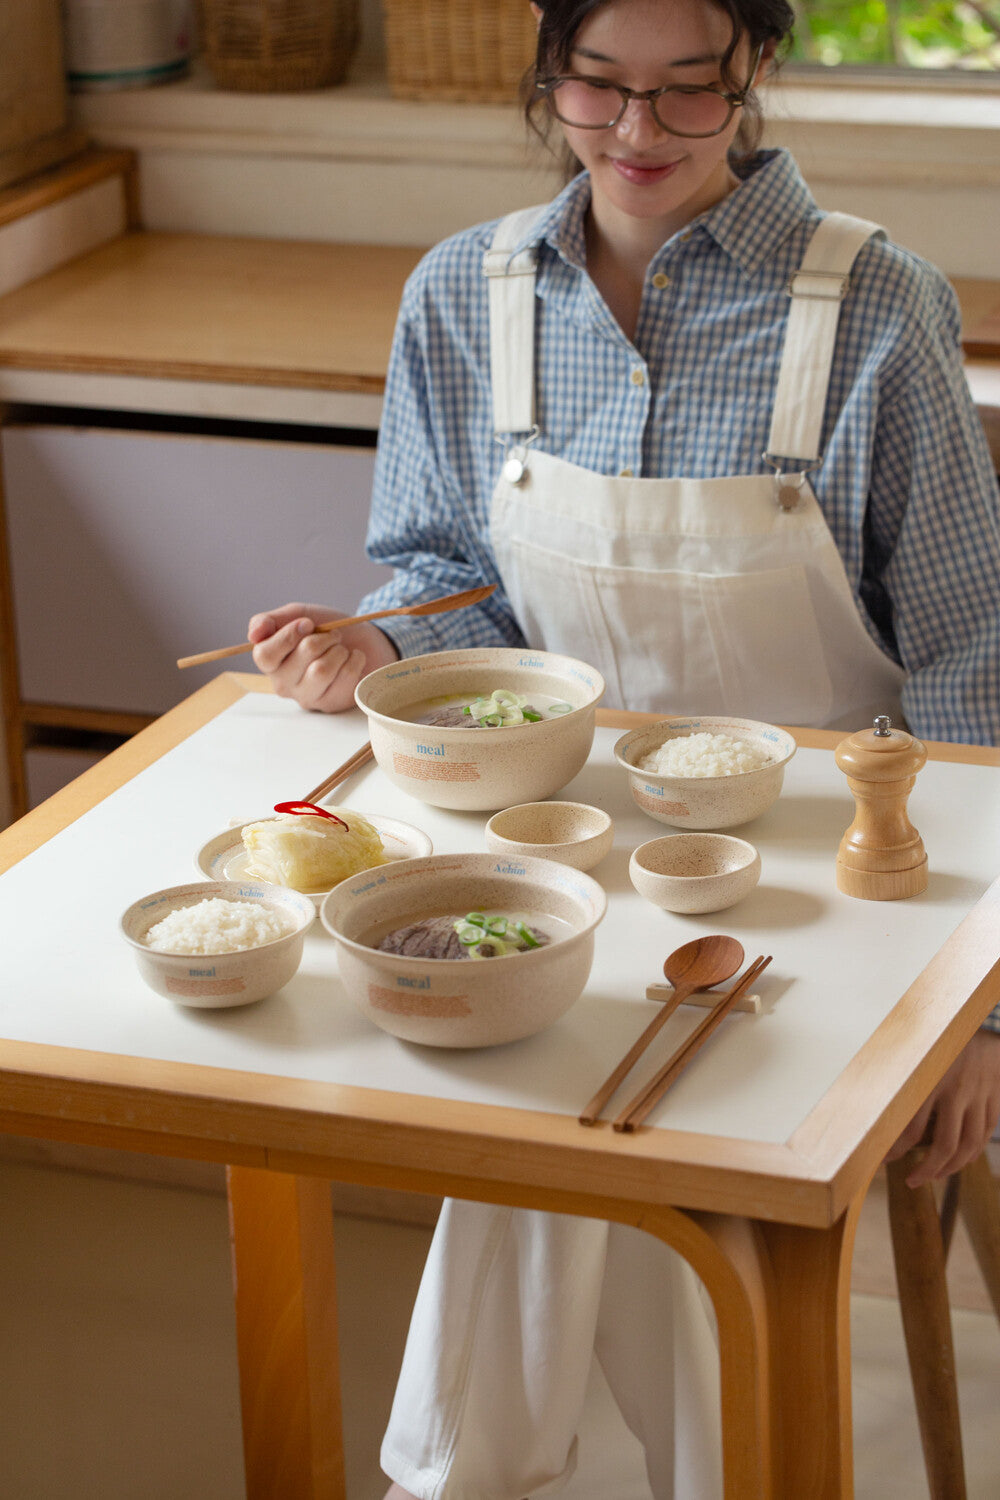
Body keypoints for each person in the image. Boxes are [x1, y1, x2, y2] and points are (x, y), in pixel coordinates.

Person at [247, 0, 1000, 1493]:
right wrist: (378, 642)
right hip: (561, 840)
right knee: (543, 1078)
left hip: (841, 886)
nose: (639, 136)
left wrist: (982, 1011)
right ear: (546, 73)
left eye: (689, 95)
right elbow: (447, 565)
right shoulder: (467, 292)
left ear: (758, 75)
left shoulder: (874, 307)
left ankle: (555, 1465)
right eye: (596, 89)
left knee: (583, 1112)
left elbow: (977, 669)